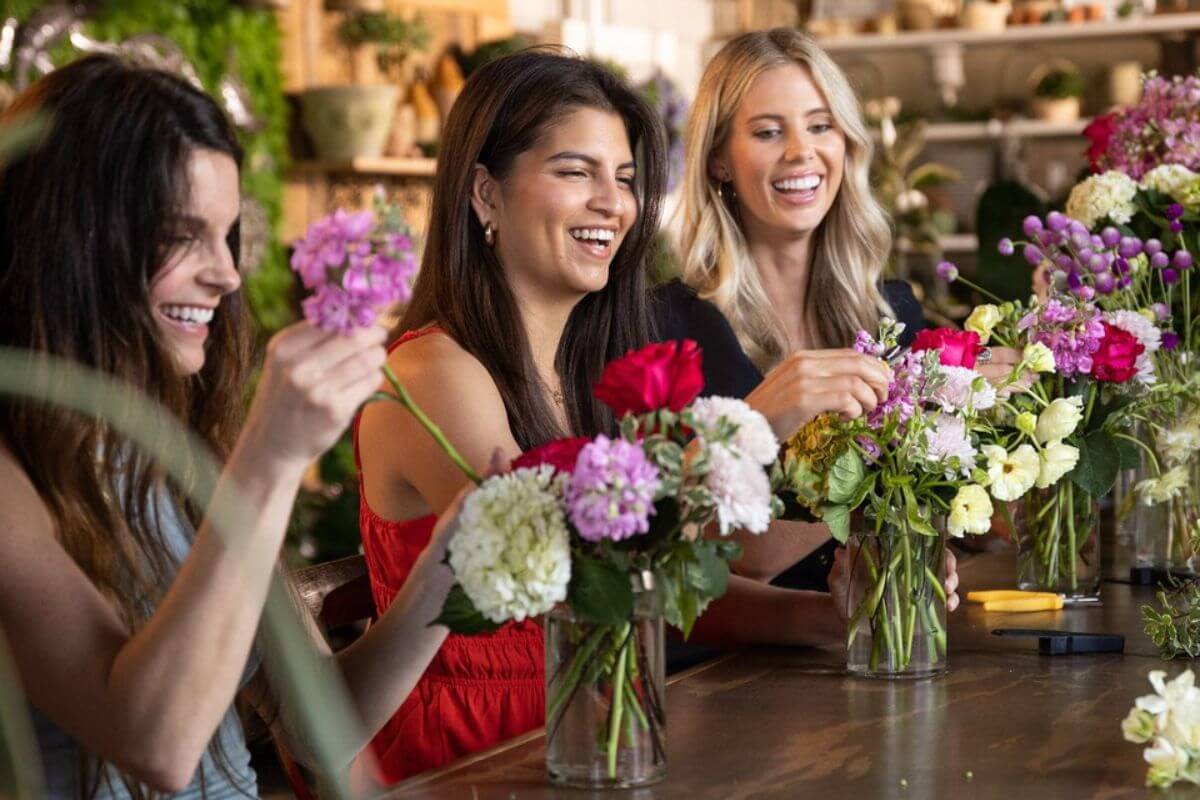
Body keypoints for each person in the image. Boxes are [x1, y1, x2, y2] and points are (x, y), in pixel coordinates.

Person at [0, 54, 462, 798]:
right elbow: (155, 743)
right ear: (74, 243)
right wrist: (270, 457)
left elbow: (322, 728)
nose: (227, 275)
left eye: (227, 236)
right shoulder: (10, 474)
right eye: (184, 237)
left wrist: (451, 567)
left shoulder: (175, 451)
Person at [354, 48, 670, 783]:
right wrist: (753, 434)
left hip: (574, 725)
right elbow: (572, 567)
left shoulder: (573, 375)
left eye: (623, 179)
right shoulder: (435, 371)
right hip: (470, 760)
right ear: (486, 196)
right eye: (575, 172)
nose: (613, 203)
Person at [659, 28, 981, 622]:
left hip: (872, 674)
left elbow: (934, 524)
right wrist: (767, 424)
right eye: (767, 132)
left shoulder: (893, 315)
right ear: (718, 160)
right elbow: (674, 564)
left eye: (820, 125)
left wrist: (931, 549)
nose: (801, 152)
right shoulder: (664, 330)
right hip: (723, 691)